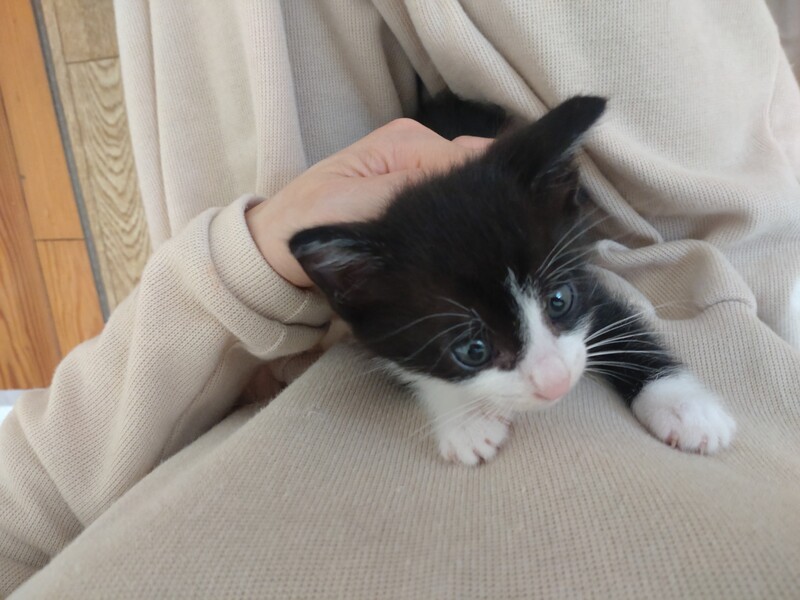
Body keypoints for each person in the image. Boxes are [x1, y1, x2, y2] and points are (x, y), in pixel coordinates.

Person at [2, 1, 799, 597]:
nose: (555, 378)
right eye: (476, 350)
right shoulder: (385, 297)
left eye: (559, 305)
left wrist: (658, 380)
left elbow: (595, 299)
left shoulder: (537, 244)